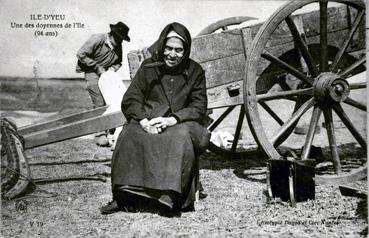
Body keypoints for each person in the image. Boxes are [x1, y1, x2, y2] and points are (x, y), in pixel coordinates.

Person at [100, 22, 210, 215]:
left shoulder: (195, 71)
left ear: (186, 51)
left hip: (181, 122)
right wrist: (143, 121)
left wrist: (172, 119)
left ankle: (169, 196)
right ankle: (125, 196)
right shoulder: (148, 67)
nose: (172, 54)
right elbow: (132, 98)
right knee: (130, 133)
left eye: (178, 50)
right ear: (161, 47)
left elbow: (198, 106)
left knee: (179, 137)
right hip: (149, 119)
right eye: (168, 48)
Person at [76, 21, 130, 146]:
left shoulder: (118, 45)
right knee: (99, 103)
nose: (120, 41)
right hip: (91, 70)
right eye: (118, 38)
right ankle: (99, 135)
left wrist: (112, 69)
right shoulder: (98, 38)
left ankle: (110, 132)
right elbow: (81, 54)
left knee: (111, 102)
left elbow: (119, 62)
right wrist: (96, 66)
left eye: (122, 39)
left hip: (106, 73)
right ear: (112, 34)